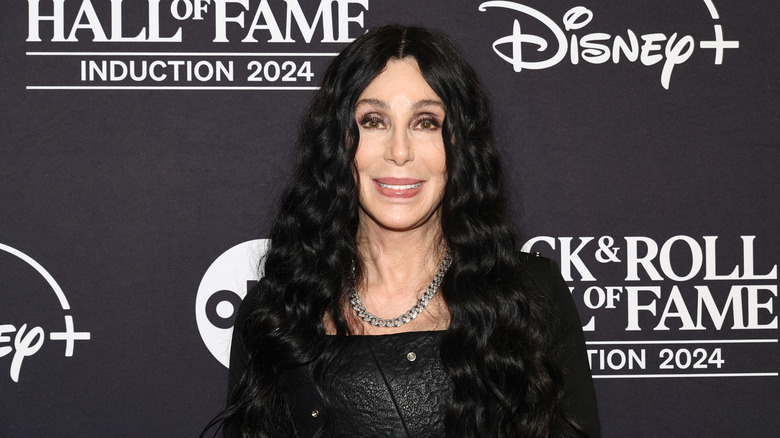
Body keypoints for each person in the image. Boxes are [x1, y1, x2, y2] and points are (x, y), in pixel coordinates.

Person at [204, 24, 600, 438]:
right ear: (338, 142)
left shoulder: (529, 297)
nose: (399, 151)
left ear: (459, 145)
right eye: (373, 121)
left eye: (425, 122)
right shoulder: (277, 313)